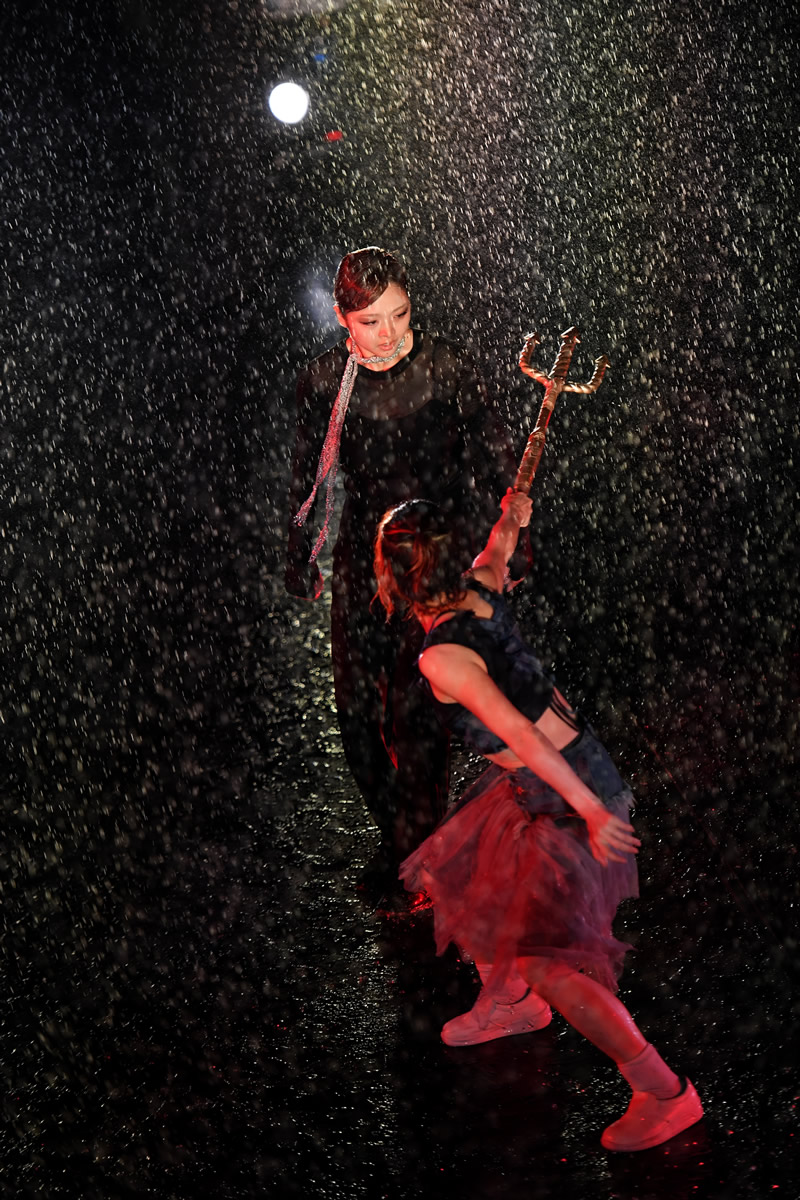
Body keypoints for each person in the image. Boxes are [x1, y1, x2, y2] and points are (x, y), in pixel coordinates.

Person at [372, 489, 704, 1152]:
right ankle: (513, 1001)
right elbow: (500, 545)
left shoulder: (441, 658)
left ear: (391, 580)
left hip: (564, 789)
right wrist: (513, 512)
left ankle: (664, 1093)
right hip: (550, 779)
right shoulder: (480, 587)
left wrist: (588, 808)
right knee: (475, 872)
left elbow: (522, 736)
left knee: (552, 964)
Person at [286, 247, 529, 883]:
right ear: (342, 318)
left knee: (418, 712)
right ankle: (404, 835)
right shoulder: (324, 382)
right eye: (370, 321)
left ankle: (415, 849)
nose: (389, 333)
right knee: (357, 715)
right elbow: (306, 472)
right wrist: (298, 550)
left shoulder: (446, 369)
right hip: (365, 561)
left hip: (434, 556)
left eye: (399, 314)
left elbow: (496, 457)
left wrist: (516, 540)